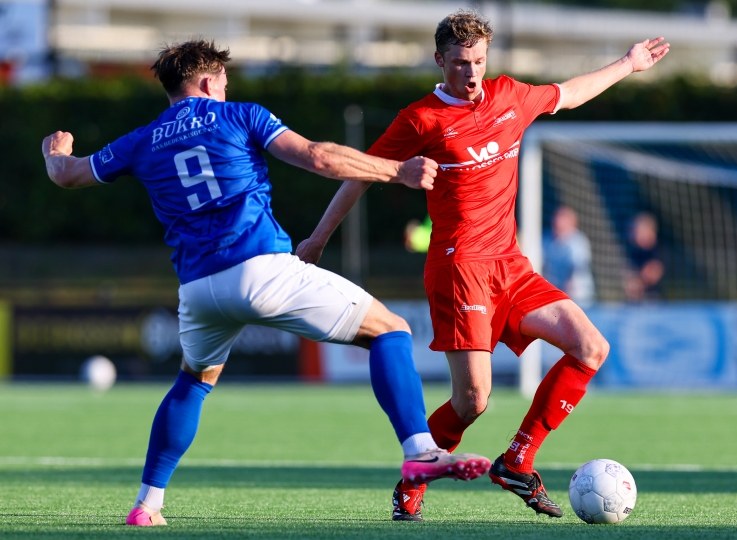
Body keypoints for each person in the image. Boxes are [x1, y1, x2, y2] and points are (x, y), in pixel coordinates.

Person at [40, 39, 492, 527]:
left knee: (193, 381)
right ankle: (420, 449)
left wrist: (54, 153)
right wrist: (395, 171)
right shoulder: (240, 115)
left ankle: (147, 505)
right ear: (211, 82)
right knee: (390, 330)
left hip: (197, 290)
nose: (228, 88)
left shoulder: (143, 139)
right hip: (261, 270)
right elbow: (318, 157)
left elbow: (67, 176)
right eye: (225, 81)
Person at [296, 9, 669, 521]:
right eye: (459, 63)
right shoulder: (420, 119)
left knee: (590, 347)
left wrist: (628, 63)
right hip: (458, 270)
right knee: (473, 402)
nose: (470, 74)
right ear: (439, 60)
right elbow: (361, 175)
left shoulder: (510, 96)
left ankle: (518, 460)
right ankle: (413, 480)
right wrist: (318, 239)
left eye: (477, 62)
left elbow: (570, 92)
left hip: (511, 267)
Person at [542, 205, 596, 308]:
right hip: (555, 295)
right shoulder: (546, 240)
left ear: (572, 223)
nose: (558, 223)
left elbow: (576, 268)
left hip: (578, 297)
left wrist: (565, 292)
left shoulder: (578, 242)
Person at [623, 211, 665, 301]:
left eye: (639, 231)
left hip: (656, 302)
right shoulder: (634, 251)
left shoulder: (659, 251)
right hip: (637, 302)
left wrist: (639, 281)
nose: (635, 235)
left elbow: (654, 274)